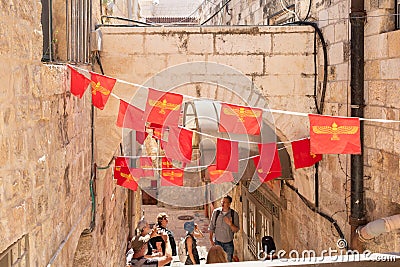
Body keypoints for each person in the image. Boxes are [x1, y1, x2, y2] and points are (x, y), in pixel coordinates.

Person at [208, 195, 239, 262]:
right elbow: (212, 226)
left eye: (224, 202)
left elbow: (236, 230)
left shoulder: (234, 214)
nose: (222, 203)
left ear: (229, 204)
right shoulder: (216, 212)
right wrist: (210, 238)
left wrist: (230, 224)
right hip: (217, 242)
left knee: (228, 262)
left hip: (228, 244)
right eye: (222, 201)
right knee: (217, 261)